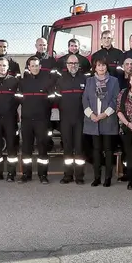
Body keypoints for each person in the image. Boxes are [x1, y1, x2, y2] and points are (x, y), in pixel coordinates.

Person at [82, 57, 121, 187]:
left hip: (108, 120)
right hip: (93, 121)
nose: (101, 68)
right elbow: (85, 99)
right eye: (99, 65)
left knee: (109, 150)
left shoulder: (114, 81)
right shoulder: (90, 81)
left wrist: (105, 114)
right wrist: (91, 115)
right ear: (95, 67)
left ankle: (108, 178)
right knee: (96, 150)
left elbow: (116, 100)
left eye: (103, 65)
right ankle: (97, 177)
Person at [17, 56, 56, 184]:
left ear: (40, 67)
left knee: (42, 148)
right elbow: (18, 100)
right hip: (27, 120)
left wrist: (44, 113)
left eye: (37, 65)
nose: (34, 67)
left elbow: (52, 100)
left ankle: (43, 175)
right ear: (28, 67)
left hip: (42, 121)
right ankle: (26, 174)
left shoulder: (47, 81)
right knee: (26, 149)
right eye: (32, 65)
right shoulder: (22, 82)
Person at [55, 54, 88, 184]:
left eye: (75, 63)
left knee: (79, 148)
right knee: (67, 148)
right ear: (66, 65)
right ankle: (67, 175)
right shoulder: (60, 80)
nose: (72, 66)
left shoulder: (85, 79)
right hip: (66, 119)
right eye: (70, 63)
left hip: (80, 119)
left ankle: (79, 176)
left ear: (78, 65)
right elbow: (56, 99)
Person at [0, 57, 21, 182]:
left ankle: (11, 173)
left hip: (10, 119)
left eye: (4, 65)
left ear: (8, 67)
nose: (2, 67)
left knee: (12, 146)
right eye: (0, 65)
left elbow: (18, 99)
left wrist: (11, 110)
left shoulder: (14, 81)